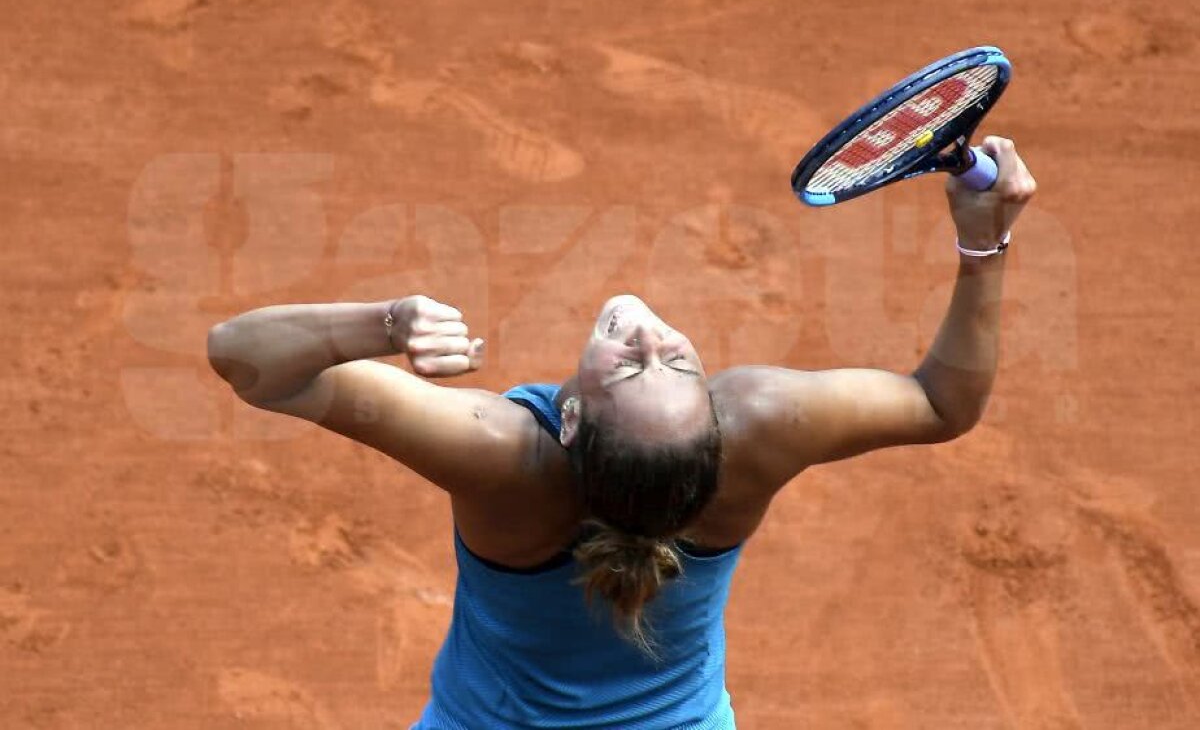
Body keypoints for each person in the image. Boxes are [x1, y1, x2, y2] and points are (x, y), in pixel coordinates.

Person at [207, 136, 1036, 729]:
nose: (655, 340)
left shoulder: (502, 455)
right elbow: (939, 405)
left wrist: (386, 321)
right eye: (673, 366)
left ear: (566, 421)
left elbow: (243, 359)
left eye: (643, 366)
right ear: (716, 425)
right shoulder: (758, 427)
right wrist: (983, 240)